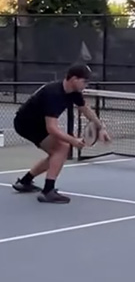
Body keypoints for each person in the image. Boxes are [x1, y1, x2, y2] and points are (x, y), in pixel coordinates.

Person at [12, 64, 111, 203]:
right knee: (62, 148)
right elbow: (52, 128)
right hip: (26, 124)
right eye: (85, 81)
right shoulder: (54, 94)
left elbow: (86, 109)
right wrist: (73, 141)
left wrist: (101, 128)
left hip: (36, 123)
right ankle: (48, 191)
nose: (86, 85)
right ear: (74, 79)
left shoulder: (74, 92)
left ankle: (25, 182)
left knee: (56, 153)